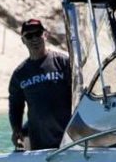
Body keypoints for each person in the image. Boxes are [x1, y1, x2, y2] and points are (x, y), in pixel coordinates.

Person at [8, 19, 72, 150]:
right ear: (23, 40)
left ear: (45, 35)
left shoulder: (63, 63)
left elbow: (79, 94)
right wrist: (16, 130)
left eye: (38, 33)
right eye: (29, 36)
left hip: (69, 141)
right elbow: (15, 106)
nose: (34, 39)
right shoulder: (20, 74)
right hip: (39, 143)